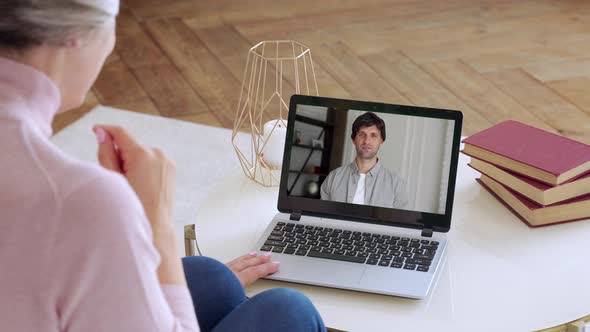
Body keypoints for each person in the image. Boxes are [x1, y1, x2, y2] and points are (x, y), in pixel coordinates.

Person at [0, 1, 325, 331]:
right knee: (289, 310)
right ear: (73, 35)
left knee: (212, 277)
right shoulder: (78, 199)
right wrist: (155, 221)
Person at [320, 112, 407, 209]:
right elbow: (323, 219)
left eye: (373, 135)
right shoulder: (333, 178)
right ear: (353, 139)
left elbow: (398, 223)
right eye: (362, 134)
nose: (367, 141)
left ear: (381, 141)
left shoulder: (396, 184)